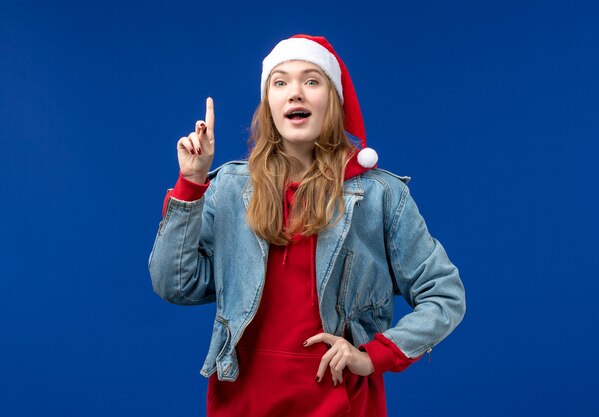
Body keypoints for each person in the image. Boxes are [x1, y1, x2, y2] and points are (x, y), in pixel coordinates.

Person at [149, 34, 466, 417]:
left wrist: (372, 355)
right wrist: (192, 184)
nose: (295, 93)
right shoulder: (229, 189)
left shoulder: (381, 196)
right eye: (280, 82)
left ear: (333, 100)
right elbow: (175, 285)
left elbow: (445, 294)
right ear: (269, 104)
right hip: (242, 404)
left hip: (341, 405)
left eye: (311, 81)